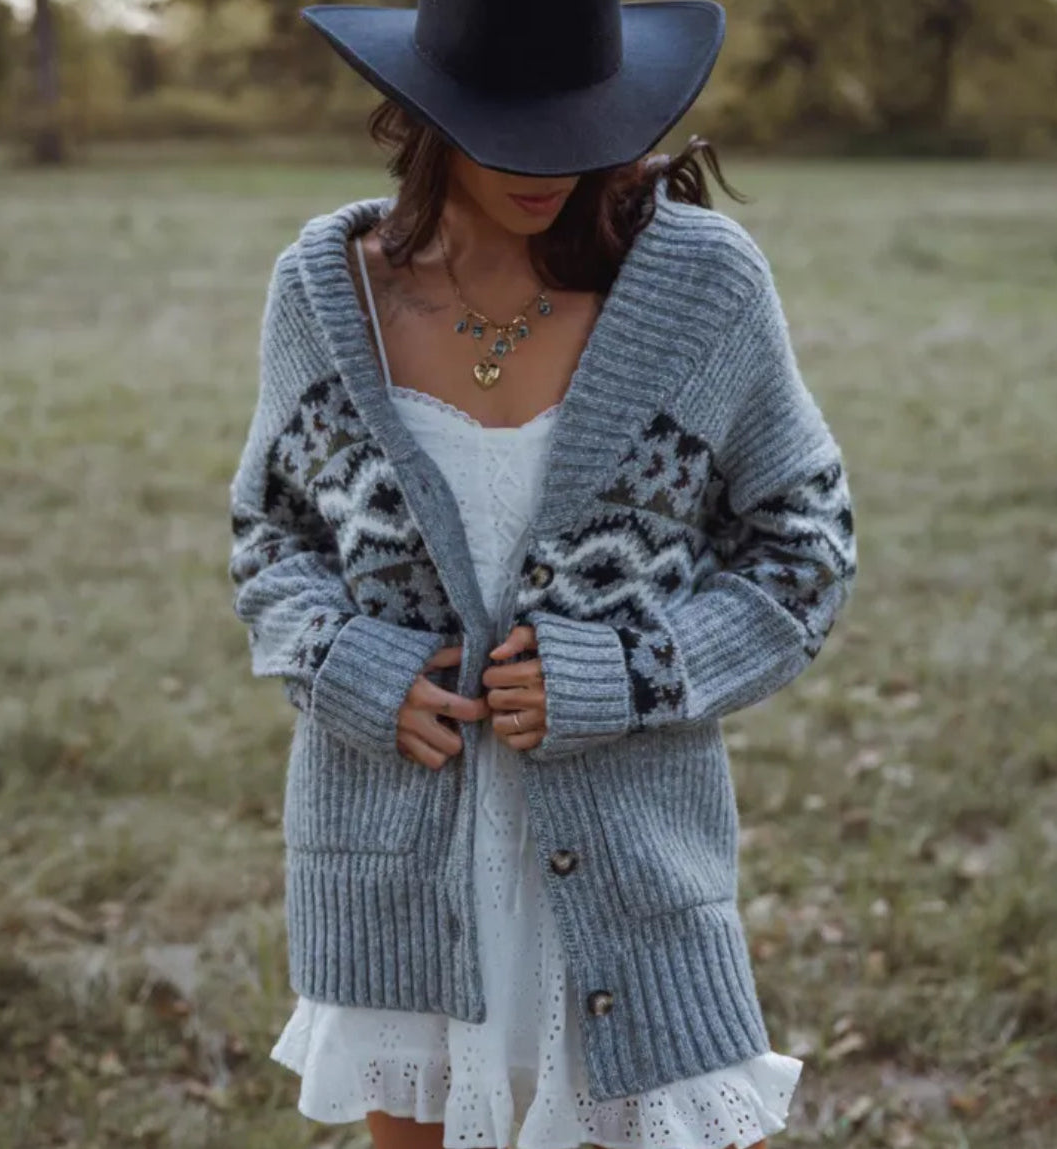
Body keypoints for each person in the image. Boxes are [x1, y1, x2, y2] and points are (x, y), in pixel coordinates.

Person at [226, 1, 859, 1147]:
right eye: (511, 133)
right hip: (392, 873)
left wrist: (632, 672)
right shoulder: (330, 293)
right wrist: (344, 665)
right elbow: (270, 536)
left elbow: (804, 549)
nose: (553, 169)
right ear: (425, 113)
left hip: (629, 861)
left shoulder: (697, 290)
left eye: (583, 129)